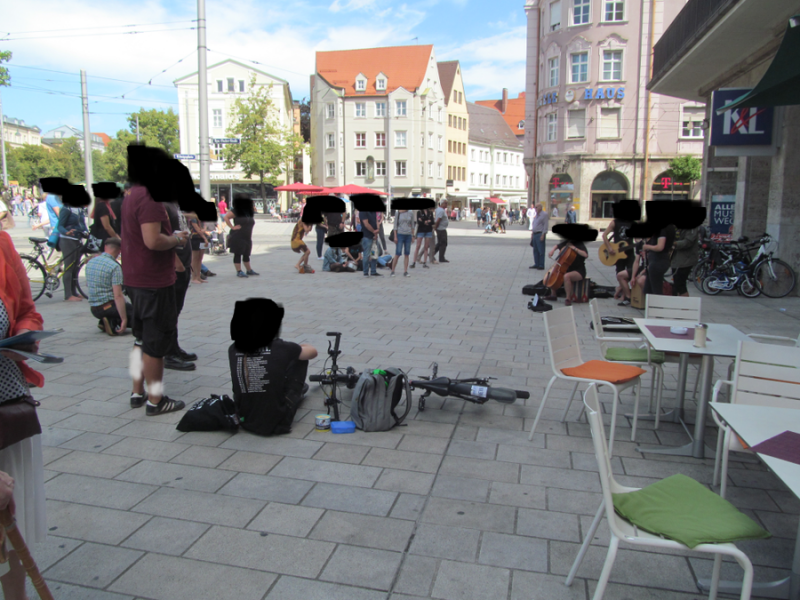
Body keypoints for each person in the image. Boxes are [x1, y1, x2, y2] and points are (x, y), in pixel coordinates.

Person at [121, 161, 190, 416]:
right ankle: (156, 400)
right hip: (153, 280)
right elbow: (152, 240)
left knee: (140, 339)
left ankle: (137, 391)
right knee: (155, 343)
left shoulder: (132, 194)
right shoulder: (151, 198)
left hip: (135, 277)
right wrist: (177, 239)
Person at [0, 230, 46, 600]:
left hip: (7, 409)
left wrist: (24, 336)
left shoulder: (1, 242)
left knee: (10, 531)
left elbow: (27, 309)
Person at [228, 299, 317, 436]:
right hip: (278, 420)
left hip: (244, 416)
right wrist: (300, 346)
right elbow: (312, 352)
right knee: (300, 359)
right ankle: (293, 392)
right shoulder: (282, 347)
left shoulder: (233, 348)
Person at [163, 202, 197, 371]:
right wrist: (177, 263)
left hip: (183, 262)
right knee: (170, 310)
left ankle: (174, 347)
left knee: (176, 310)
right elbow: (164, 235)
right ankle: (168, 353)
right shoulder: (163, 205)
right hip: (176, 265)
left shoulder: (174, 205)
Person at [85, 237, 131, 336]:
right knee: (139, 317)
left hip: (94, 309)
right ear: (120, 251)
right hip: (109, 307)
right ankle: (113, 322)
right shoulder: (114, 266)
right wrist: (124, 319)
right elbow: (118, 295)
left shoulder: (91, 262)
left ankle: (104, 321)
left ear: (105, 247)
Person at [56, 200, 88, 302]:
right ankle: (68, 294)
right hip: (67, 240)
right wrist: (67, 232)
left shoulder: (80, 209)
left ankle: (74, 292)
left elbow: (82, 224)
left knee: (76, 266)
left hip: (78, 239)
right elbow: (60, 225)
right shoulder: (66, 209)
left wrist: (86, 232)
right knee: (69, 266)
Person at [544, 239, 589, 306]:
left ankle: (568, 298)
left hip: (578, 270)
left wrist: (574, 248)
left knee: (566, 276)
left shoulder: (579, 244)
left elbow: (585, 255)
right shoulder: (566, 242)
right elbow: (557, 246)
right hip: (567, 268)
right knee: (554, 274)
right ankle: (553, 295)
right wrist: (552, 250)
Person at [602, 215, 635, 306]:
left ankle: (624, 294)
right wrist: (609, 248)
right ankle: (624, 294)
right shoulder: (615, 222)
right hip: (618, 253)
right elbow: (604, 235)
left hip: (630, 252)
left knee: (629, 274)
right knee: (619, 275)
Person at [224, 195, 258, 278]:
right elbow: (226, 217)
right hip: (238, 235)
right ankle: (239, 271)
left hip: (247, 236)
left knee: (246, 253)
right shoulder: (236, 211)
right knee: (238, 253)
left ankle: (249, 270)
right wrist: (232, 227)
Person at [643, 223, 676, 296]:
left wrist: (647, 246)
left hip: (657, 261)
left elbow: (660, 247)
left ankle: (656, 305)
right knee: (648, 289)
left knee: (655, 290)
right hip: (659, 260)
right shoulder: (670, 227)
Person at [671, 226, 700, 297]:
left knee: (680, 285)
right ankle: (680, 304)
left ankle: (685, 306)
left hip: (686, 259)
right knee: (677, 284)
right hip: (677, 259)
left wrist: (674, 244)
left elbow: (688, 241)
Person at [390, 209, 414, 277]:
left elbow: (412, 225)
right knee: (398, 253)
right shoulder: (398, 212)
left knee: (407, 253)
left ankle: (405, 271)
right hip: (400, 234)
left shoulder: (410, 212)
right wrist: (395, 236)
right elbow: (395, 225)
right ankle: (392, 270)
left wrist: (413, 235)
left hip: (408, 234)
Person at [359, 206, 382, 277]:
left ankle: (373, 271)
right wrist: (374, 231)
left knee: (374, 253)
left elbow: (376, 220)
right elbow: (366, 224)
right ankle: (365, 271)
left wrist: (378, 229)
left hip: (373, 236)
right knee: (366, 254)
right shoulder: (363, 211)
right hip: (366, 236)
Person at [187, 212, 208, 285]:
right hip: (195, 238)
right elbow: (196, 227)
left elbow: (204, 225)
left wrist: (204, 230)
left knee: (200, 258)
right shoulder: (192, 216)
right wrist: (204, 237)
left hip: (202, 237)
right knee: (194, 258)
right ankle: (193, 277)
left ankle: (198, 276)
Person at [529, 203, 549, 270]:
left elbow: (545, 226)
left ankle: (541, 265)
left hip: (540, 234)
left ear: (540, 207)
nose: (535, 208)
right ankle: (536, 264)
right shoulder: (536, 215)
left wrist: (543, 234)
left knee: (541, 250)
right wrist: (532, 234)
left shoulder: (544, 215)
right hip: (535, 234)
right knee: (535, 250)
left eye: (536, 207)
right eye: (535, 207)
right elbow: (534, 224)